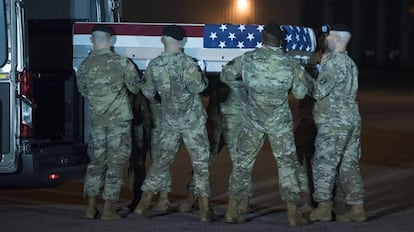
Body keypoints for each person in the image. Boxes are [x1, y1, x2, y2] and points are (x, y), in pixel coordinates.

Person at [220, 22, 310, 226]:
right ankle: (292, 213)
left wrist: (243, 87)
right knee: (286, 164)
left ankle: (232, 210)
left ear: (263, 38)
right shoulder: (290, 64)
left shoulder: (248, 58)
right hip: (279, 121)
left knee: (242, 163)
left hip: (253, 118)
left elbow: (226, 74)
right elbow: (300, 93)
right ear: (280, 41)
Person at [134, 24, 213, 222]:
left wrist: (160, 103)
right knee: (200, 163)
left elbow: (148, 92)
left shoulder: (154, 65)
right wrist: (198, 74)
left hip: (168, 121)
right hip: (192, 122)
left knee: (160, 162)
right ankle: (204, 211)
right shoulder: (188, 63)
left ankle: (143, 205)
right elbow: (199, 88)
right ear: (181, 42)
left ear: (163, 41)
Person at [76, 24, 142, 220]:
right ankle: (108, 209)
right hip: (118, 121)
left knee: (96, 162)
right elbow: (136, 88)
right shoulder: (122, 63)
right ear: (112, 40)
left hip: (97, 120)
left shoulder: (84, 66)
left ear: (91, 40)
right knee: (116, 163)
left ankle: (90, 207)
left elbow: (83, 91)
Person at [307, 24, 366, 222]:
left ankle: (323, 207)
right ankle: (357, 208)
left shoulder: (334, 64)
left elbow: (318, 91)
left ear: (338, 40)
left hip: (334, 121)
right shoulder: (350, 62)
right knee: (349, 164)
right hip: (351, 118)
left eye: (330, 36)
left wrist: (302, 77)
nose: (326, 39)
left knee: (324, 162)